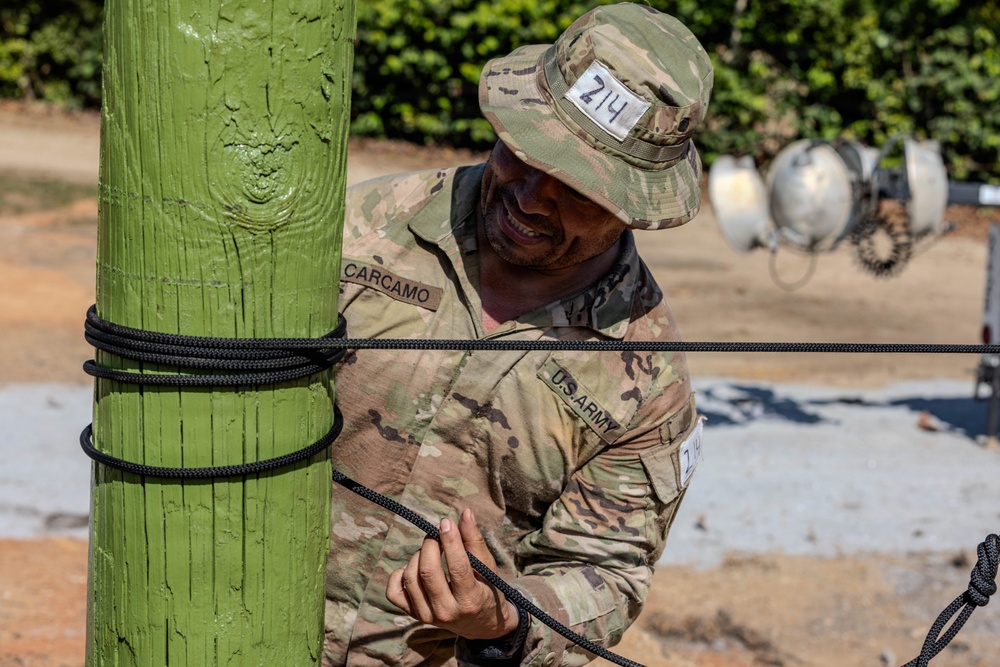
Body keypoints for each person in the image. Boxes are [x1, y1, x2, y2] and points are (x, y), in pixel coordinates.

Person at [324, 3, 713, 666]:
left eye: (579, 190)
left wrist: (501, 615)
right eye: (525, 154)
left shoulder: (645, 383)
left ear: (635, 210)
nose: (532, 198)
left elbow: (606, 574)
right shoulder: (361, 232)